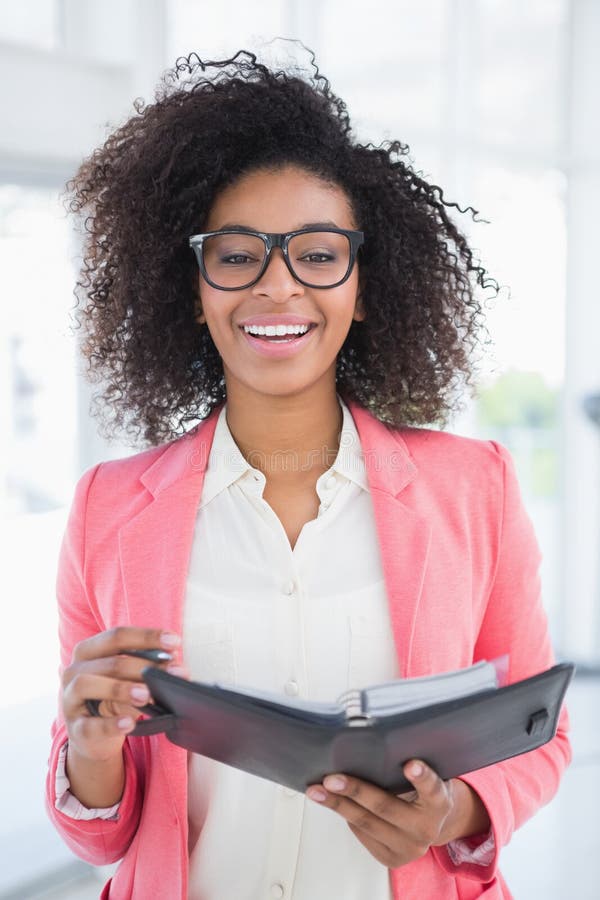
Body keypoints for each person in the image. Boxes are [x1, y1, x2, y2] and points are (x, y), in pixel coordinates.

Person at [45, 47, 571, 900]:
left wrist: (452, 814)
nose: (278, 287)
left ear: (364, 287)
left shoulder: (476, 489)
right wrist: (90, 750)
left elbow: (540, 737)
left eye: (318, 255)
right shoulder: (108, 511)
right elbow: (99, 832)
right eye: (237, 254)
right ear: (194, 287)